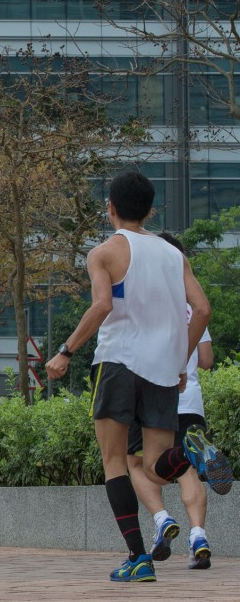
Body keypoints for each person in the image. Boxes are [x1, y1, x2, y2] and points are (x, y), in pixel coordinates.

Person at [46, 170, 232, 583]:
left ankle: (138, 557)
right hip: (163, 372)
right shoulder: (173, 255)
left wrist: (65, 352)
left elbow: (101, 306)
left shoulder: (104, 253)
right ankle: (194, 454)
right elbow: (202, 310)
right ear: (150, 210)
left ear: (110, 208)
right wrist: (178, 360)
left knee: (115, 462)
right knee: (155, 466)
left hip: (117, 364)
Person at [127, 232, 215, 570]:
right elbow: (205, 360)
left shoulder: (147, 297)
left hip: (152, 396)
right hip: (190, 398)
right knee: (186, 469)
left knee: (137, 464)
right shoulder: (191, 303)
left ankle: (162, 518)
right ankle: (198, 537)